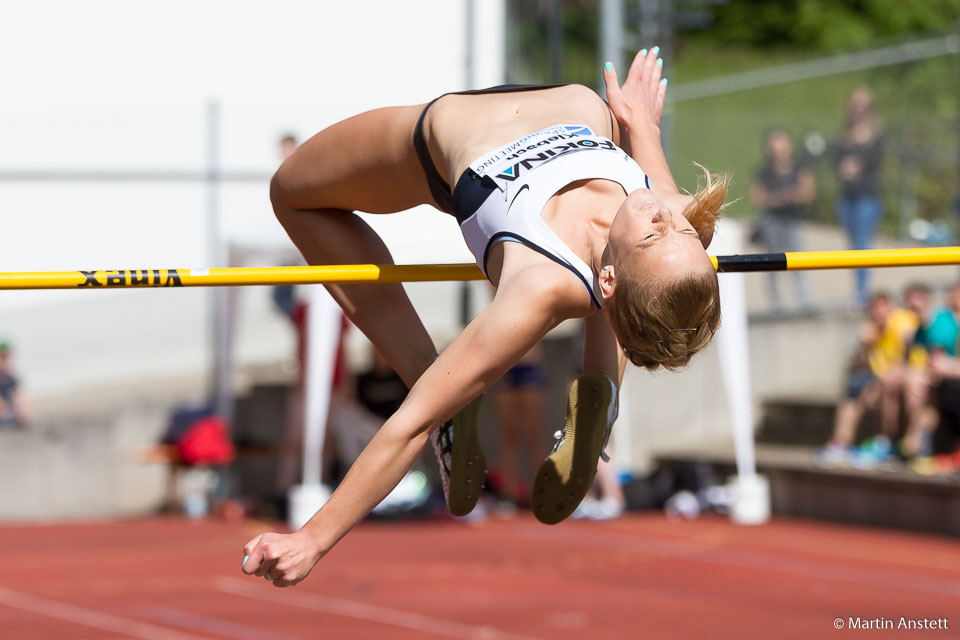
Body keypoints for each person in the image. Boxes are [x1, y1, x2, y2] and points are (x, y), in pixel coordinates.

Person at [242, 48, 727, 588]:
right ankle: (599, 396)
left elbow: (409, 425)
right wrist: (640, 123)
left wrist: (312, 538)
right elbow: (662, 201)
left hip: (446, 134)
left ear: (609, 280)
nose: (664, 215)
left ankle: (442, 384)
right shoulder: (675, 219)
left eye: (657, 234)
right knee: (650, 261)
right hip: (576, 110)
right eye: (680, 232)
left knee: (291, 191)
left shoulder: (540, 285)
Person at [814, 292, 915, 467]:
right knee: (852, 397)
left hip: (900, 380)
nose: (879, 313)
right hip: (877, 382)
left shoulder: (903, 323)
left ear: (891, 307)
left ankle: (885, 443)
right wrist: (864, 346)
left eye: (883, 308)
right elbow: (858, 369)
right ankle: (840, 444)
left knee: (885, 388)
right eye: (875, 309)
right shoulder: (872, 331)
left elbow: (908, 356)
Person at [748, 128, 814, 312]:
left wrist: (791, 196)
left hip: (792, 220)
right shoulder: (764, 173)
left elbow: (808, 192)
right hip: (772, 222)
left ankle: (804, 301)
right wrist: (776, 199)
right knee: (772, 262)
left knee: (799, 261)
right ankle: (776, 304)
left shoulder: (799, 168)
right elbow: (756, 197)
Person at [834, 87, 884, 308]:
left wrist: (856, 166)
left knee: (862, 246)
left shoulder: (876, 134)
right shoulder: (846, 135)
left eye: (862, 105)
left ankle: (861, 296)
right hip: (848, 197)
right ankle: (858, 292)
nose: (858, 110)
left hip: (866, 197)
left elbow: (874, 161)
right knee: (852, 247)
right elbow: (835, 159)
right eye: (855, 105)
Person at [0, 341, 29, 428]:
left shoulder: (11, 377)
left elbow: (18, 395)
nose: (4, 360)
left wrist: (22, 410)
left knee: (21, 417)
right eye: (2, 357)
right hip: (3, 411)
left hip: (9, 412)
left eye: (6, 357)